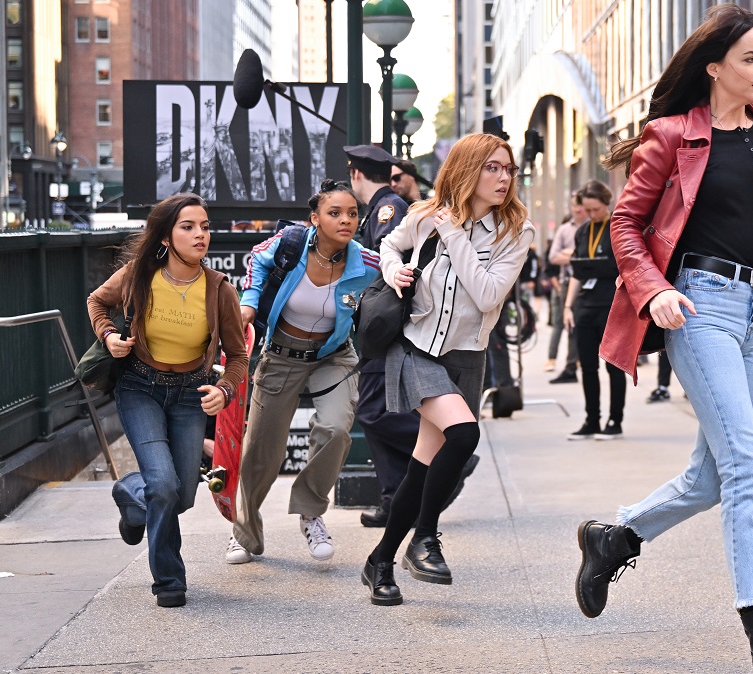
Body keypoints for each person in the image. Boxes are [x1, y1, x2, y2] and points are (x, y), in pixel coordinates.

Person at [575, 6, 753, 673]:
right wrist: (654, 288)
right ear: (715, 67)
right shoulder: (670, 136)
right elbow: (627, 223)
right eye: (751, 59)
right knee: (748, 467)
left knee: (711, 474)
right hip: (700, 307)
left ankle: (615, 537)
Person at [362, 132, 536, 606]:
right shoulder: (422, 215)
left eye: (508, 169)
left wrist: (456, 235)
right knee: (463, 436)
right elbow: (390, 247)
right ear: (466, 169)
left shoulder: (515, 231)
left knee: (422, 464)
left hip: (466, 355)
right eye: (492, 168)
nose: (503, 178)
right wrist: (392, 269)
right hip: (417, 346)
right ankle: (426, 536)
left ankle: (380, 559)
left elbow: (486, 295)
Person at [92, 193, 248, 608]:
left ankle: (129, 493)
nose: (200, 235)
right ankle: (169, 581)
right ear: (165, 236)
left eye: (204, 227)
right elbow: (97, 302)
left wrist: (224, 391)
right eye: (188, 227)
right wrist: (109, 336)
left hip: (189, 395)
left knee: (179, 496)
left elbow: (238, 357)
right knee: (162, 483)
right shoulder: (139, 276)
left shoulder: (218, 290)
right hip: (139, 387)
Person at [224, 180, 380, 565]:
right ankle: (244, 533)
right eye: (335, 213)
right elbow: (257, 260)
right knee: (262, 446)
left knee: (336, 428)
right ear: (315, 219)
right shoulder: (290, 244)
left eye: (352, 213)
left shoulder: (367, 262)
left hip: (333, 356)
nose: (346, 220)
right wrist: (247, 304)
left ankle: (311, 513)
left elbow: (396, 275)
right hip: (280, 355)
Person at [345, 145, 423, 529]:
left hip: (386, 325)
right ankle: (395, 501)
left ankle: (445, 450)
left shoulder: (387, 209)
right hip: (380, 324)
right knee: (380, 408)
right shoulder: (385, 207)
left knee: (373, 410)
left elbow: (385, 267)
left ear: (356, 174)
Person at [564, 180, 627, 440]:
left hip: (612, 305)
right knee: (587, 366)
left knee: (614, 365)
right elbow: (577, 274)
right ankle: (592, 419)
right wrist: (568, 306)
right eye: (587, 210)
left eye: (596, 209)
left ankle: (615, 420)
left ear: (607, 203)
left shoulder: (617, 228)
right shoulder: (583, 231)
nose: (591, 215)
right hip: (585, 306)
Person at [546, 194, 588, 381]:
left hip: (590, 284)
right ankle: (570, 364)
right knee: (568, 323)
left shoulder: (592, 227)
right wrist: (578, 257)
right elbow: (553, 257)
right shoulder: (564, 230)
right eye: (574, 206)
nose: (577, 210)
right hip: (567, 282)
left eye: (581, 206)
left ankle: (578, 361)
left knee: (585, 326)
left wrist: (571, 255)